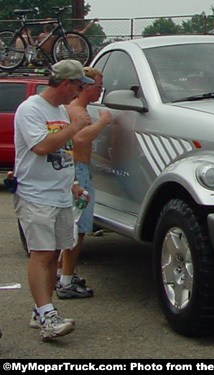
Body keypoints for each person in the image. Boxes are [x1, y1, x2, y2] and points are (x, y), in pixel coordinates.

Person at [13, 59, 93, 340]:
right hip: (36, 194)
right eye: (80, 85)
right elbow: (42, 146)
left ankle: (41, 310)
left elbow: (64, 152)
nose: (80, 92)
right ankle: (47, 315)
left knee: (55, 253)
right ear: (66, 83)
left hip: (59, 193)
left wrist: (73, 184)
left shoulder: (59, 109)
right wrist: (76, 126)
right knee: (42, 253)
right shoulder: (31, 109)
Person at [56, 67, 112, 299]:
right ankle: (66, 282)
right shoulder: (79, 112)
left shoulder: (73, 109)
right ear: (86, 87)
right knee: (77, 230)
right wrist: (103, 123)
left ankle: (62, 274)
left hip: (76, 171)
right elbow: (79, 139)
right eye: (99, 86)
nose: (101, 91)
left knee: (71, 228)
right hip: (77, 171)